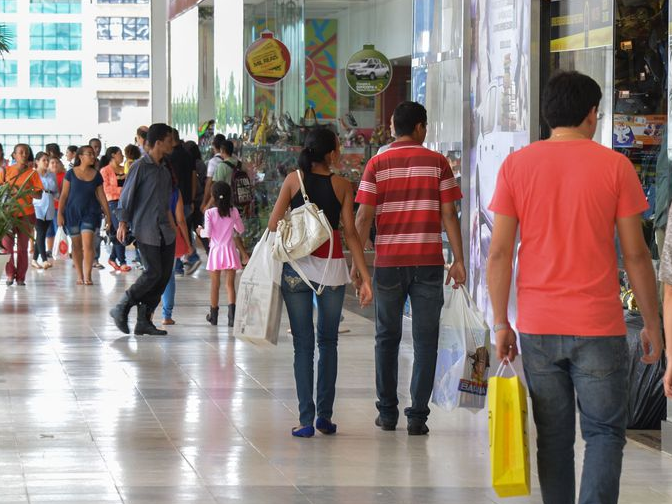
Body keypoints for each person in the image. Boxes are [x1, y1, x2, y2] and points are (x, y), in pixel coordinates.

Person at [486, 71, 662, 504]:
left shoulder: (517, 166)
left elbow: (499, 254)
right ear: (591, 114)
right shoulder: (616, 166)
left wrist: (500, 322)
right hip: (599, 327)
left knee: (554, 438)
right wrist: (654, 324)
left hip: (539, 326)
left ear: (547, 115)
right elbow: (636, 255)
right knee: (604, 434)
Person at [354, 101, 465, 436]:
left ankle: (387, 413)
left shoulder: (377, 164)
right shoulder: (438, 163)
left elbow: (363, 218)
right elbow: (449, 216)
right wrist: (459, 260)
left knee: (386, 337)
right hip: (428, 263)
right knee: (425, 340)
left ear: (393, 127)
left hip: (388, 264)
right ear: (420, 127)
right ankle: (418, 416)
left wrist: (359, 266)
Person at [268, 127, 373, 438]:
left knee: (303, 345)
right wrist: (364, 276)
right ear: (331, 154)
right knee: (328, 343)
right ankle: (324, 417)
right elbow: (351, 233)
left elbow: (274, 223)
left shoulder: (292, 180)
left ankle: (305, 420)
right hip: (332, 269)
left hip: (296, 270)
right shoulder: (342, 185)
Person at [110, 123, 177, 336]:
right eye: (169, 140)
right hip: (145, 230)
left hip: (165, 232)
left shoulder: (165, 170)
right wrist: (122, 223)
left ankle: (144, 320)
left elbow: (166, 204)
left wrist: (174, 229)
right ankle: (122, 305)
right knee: (153, 273)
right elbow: (126, 196)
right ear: (158, 143)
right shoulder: (140, 166)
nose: (172, 144)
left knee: (163, 276)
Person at [57, 146, 112, 285]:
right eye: (90, 154)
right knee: (76, 246)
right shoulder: (70, 173)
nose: (93, 156)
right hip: (72, 213)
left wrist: (108, 216)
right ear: (81, 156)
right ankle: (80, 275)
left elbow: (102, 196)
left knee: (88, 244)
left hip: (91, 212)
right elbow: (63, 196)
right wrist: (60, 214)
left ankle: (88, 276)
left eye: (93, 154)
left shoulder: (97, 175)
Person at [198, 182, 244, 327]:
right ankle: (232, 318)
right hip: (230, 250)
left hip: (216, 250)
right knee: (230, 285)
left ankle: (214, 316)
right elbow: (240, 229)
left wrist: (199, 231)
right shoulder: (234, 211)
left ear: (213, 196)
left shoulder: (210, 213)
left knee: (215, 285)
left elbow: (208, 233)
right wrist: (233, 224)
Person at [2, 144, 43, 286]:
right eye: (20, 152)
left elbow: (39, 195)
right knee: (7, 247)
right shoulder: (5, 171)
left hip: (27, 214)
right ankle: (9, 274)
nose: (24, 155)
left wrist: (25, 190)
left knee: (22, 248)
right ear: (14, 155)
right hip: (7, 215)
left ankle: (20, 277)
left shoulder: (33, 173)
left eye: (26, 152)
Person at [160, 186, 193, 326]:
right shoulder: (174, 191)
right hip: (168, 237)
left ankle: (147, 314)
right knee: (169, 276)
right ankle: (166, 316)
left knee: (152, 275)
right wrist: (188, 243)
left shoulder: (147, 186)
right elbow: (180, 220)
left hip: (148, 234)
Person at [167, 128, 196, 276]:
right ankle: (182, 260)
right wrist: (192, 197)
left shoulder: (169, 157)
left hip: (174, 196)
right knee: (183, 226)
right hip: (185, 196)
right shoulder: (187, 154)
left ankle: (187, 258)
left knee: (177, 227)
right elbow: (193, 177)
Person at [100, 146, 131, 272]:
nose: (122, 156)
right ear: (113, 155)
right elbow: (106, 188)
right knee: (120, 229)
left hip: (125, 202)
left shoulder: (125, 169)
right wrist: (123, 190)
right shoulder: (105, 170)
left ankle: (113, 257)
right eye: (120, 154)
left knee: (122, 230)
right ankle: (122, 261)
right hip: (113, 202)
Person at [32, 152, 58, 270]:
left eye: (48, 160)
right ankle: (44, 260)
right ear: (37, 162)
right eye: (44, 160)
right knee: (41, 233)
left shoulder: (51, 175)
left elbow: (55, 191)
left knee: (42, 234)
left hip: (50, 204)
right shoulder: (33, 174)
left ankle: (33, 260)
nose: (47, 162)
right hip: (37, 205)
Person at [184, 140, 207, 267]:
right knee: (198, 227)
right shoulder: (202, 164)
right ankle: (208, 252)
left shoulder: (190, 164)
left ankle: (191, 255)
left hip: (192, 201)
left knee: (188, 228)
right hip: (200, 200)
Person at [45, 156, 67, 260]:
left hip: (59, 207)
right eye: (52, 162)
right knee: (49, 231)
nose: (54, 164)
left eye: (56, 163)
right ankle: (50, 250)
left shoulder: (65, 176)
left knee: (58, 228)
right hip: (48, 207)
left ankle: (60, 249)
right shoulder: (46, 176)